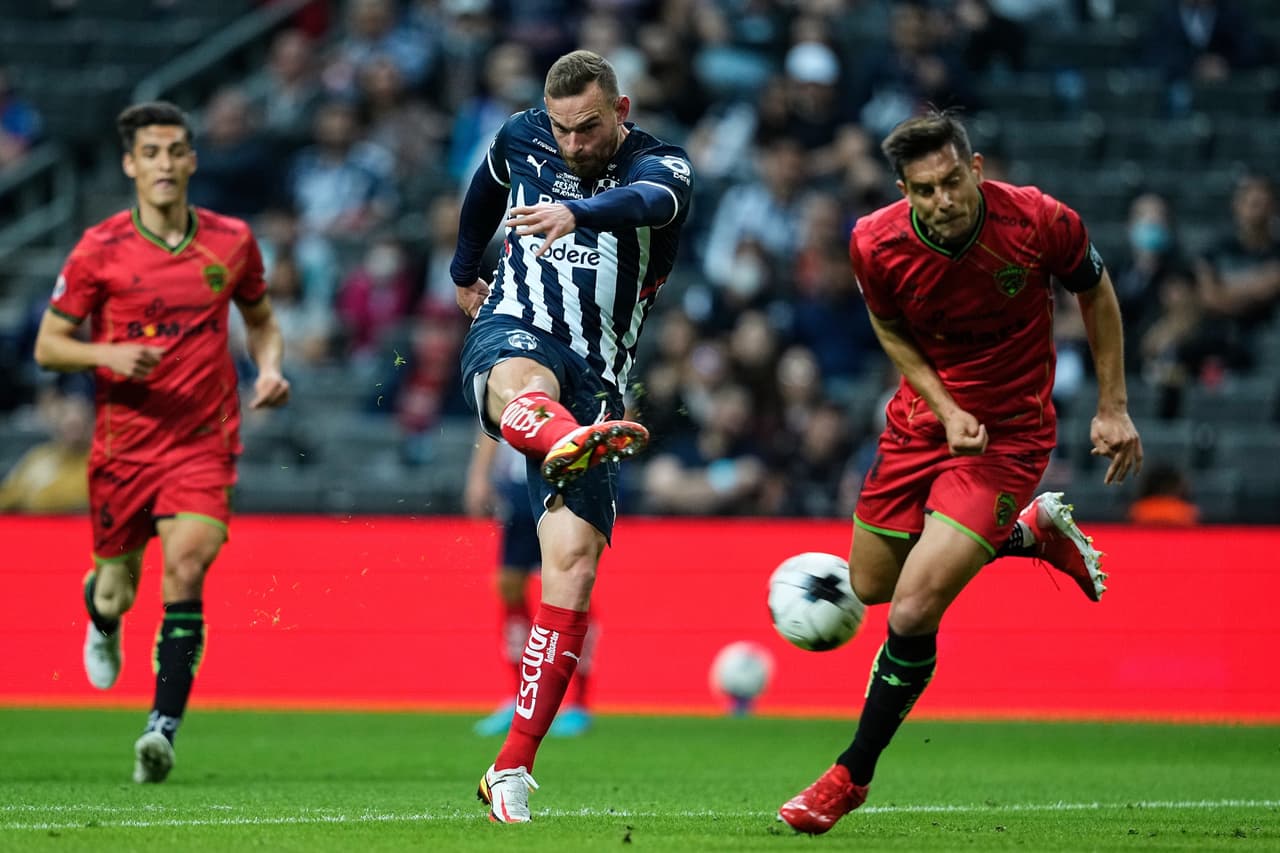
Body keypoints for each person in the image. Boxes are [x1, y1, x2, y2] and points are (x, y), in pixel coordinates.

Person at [777, 110, 1143, 834]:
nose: (942, 200)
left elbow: (1096, 292)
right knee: (872, 586)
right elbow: (889, 328)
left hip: (1008, 436)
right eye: (924, 190)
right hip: (919, 427)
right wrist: (943, 408)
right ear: (903, 192)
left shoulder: (1038, 221)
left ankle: (850, 775)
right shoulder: (873, 242)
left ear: (976, 170)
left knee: (912, 611)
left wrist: (1113, 406)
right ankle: (1029, 533)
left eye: (952, 182)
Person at [450, 49, 693, 823]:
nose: (571, 142)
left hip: (600, 378)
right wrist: (463, 270)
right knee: (523, 382)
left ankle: (511, 768)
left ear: (620, 110)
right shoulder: (521, 135)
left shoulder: (662, 164)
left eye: (587, 127)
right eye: (561, 128)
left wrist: (577, 212)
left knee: (573, 572)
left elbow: (653, 201)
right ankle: (552, 432)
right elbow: (484, 188)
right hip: (515, 328)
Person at [31, 101, 290, 785]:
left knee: (187, 566)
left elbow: (261, 320)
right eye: (151, 152)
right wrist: (107, 355)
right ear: (130, 164)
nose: (165, 163)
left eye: (176, 150)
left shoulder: (231, 241)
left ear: (192, 159)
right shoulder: (99, 248)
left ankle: (161, 730)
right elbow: (49, 344)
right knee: (115, 592)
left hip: (204, 441)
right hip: (124, 449)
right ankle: (102, 618)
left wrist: (269, 368)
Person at [464, 433, 595, 738]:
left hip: (569, 482)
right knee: (509, 584)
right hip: (520, 484)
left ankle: (577, 702)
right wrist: (479, 477)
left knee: (574, 584)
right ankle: (519, 696)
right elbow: (493, 422)